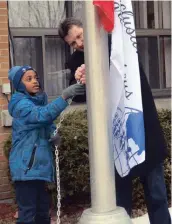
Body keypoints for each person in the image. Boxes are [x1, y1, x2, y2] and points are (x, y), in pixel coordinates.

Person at [58, 18, 171, 224]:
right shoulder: (76, 61)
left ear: (88, 28)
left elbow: (132, 77)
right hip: (114, 138)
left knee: (156, 195)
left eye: (80, 36)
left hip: (142, 127)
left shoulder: (118, 44)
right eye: (73, 43)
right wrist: (80, 81)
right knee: (119, 201)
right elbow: (81, 96)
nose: (80, 44)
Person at [8, 65, 85, 224]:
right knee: (28, 213)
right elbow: (41, 116)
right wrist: (64, 97)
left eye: (35, 77)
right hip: (25, 169)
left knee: (43, 211)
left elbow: (44, 123)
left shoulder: (36, 103)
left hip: (37, 169)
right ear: (19, 85)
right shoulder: (21, 105)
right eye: (28, 79)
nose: (35, 81)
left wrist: (52, 134)